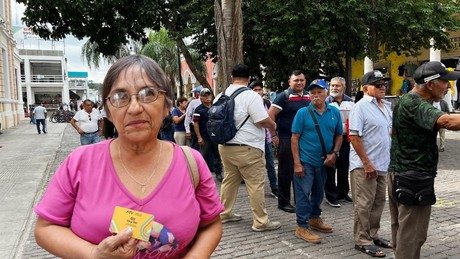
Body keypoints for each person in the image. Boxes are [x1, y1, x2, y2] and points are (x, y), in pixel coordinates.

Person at [33, 55, 224, 258]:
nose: (134, 108)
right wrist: (93, 254)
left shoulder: (191, 162)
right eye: (120, 97)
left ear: (167, 105)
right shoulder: (79, 162)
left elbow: (211, 225)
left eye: (148, 94)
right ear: (107, 110)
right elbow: (45, 228)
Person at [388, 61, 460, 259]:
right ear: (430, 84)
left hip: (403, 173)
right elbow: (446, 121)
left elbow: (393, 133)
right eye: (445, 82)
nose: (449, 87)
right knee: (412, 236)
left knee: (403, 232)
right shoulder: (414, 102)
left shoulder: (408, 101)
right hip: (413, 177)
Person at [218, 64, 281, 232]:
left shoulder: (221, 94)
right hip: (248, 148)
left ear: (232, 77)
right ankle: (261, 221)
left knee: (230, 180)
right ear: (249, 78)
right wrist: (273, 124)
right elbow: (261, 120)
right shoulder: (251, 96)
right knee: (255, 184)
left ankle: (224, 213)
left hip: (225, 146)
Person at [291, 79, 342, 244]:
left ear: (326, 93)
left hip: (324, 161)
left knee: (319, 192)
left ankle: (314, 218)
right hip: (305, 161)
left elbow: (339, 135)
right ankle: (301, 226)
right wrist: (297, 164)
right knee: (303, 194)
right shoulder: (303, 113)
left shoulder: (334, 111)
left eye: (320, 92)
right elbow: (294, 138)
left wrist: (334, 153)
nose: (316, 95)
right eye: (312, 93)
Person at [349, 70, 393, 257]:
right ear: (366, 88)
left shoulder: (387, 106)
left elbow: (388, 133)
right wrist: (367, 163)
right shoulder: (360, 106)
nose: (383, 87)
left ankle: (373, 234)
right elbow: (354, 137)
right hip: (364, 166)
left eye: (384, 84)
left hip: (383, 164)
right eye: (378, 85)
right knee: (364, 204)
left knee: (378, 203)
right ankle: (362, 239)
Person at [268, 70, 310, 213]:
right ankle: (284, 202)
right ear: (289, 82)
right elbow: (270, 115)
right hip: (286, 139)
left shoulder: (308, 97)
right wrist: (273, 135)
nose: (299, 83)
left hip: (304, 140)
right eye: (296, 80)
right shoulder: (283, 97)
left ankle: (301, 200)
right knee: (285, 171)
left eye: (302, 80)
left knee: (302, 170)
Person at [324, 77, 354, 207]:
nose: (334, 88)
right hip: (331, 139)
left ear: (344, 87)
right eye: (332, 86)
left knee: (344, 166)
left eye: (337, 86)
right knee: (330, 167)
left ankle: (343, 192)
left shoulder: (350, 101)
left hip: (346, 139)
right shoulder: (326, 102)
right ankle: (331, 195)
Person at [249, 80, 278, 198]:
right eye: (255, 90)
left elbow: (272, 119)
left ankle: (274, 188)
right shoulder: (249, 103)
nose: (257, 92)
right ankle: (255, 190)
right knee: (254, 166)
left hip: (266, 139)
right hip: (253, 140)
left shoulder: (267, 103)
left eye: (259, 89)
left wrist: (274, 134)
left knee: (270, 164)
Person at [193, 88, 223, 182]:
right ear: (201, 98)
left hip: (215, 136)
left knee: (217, 155)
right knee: (203, 156)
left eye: (208, 95)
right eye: (205, 96)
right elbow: (196, 124)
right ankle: (200, 176)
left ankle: (218, 173)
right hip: (204, 137)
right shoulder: (199, 109)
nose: (207, 97)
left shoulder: (215, 107)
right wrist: (199, 137)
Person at [185, 85, 203, 150]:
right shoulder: (193, 103)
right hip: (194, 128)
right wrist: (187, 130)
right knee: (195, 147)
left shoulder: (209, 103)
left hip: (205, 128)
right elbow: (188, 116)